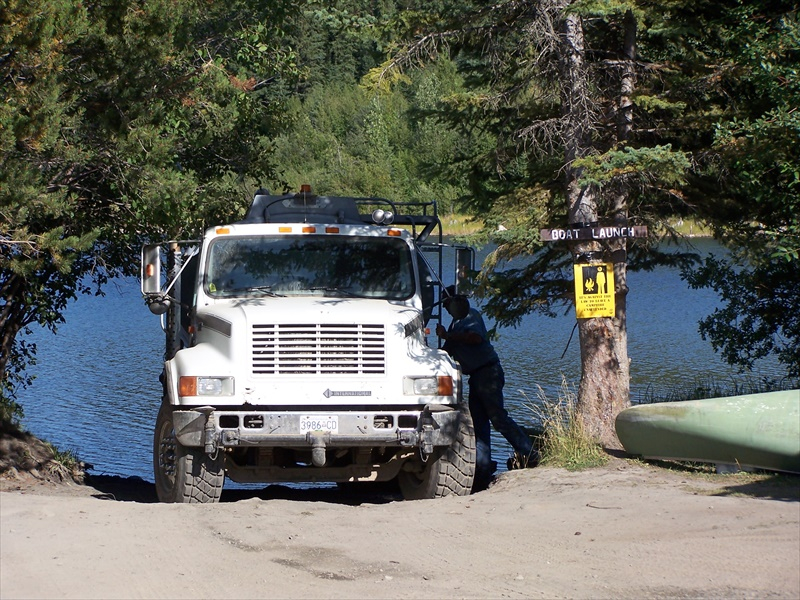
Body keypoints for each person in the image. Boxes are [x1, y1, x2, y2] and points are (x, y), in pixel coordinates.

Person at [435, 287, 538, 489]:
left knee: (498, 418)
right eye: (445, 305)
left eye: (448, 304)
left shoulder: (470, 316)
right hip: (475, 376)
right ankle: (483, 468)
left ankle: (529, 453)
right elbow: (446, 351)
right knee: (478, 424)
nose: (446, 309)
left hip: (488, 372)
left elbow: (475, 338)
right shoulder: (455, 323)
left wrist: (448, 336)